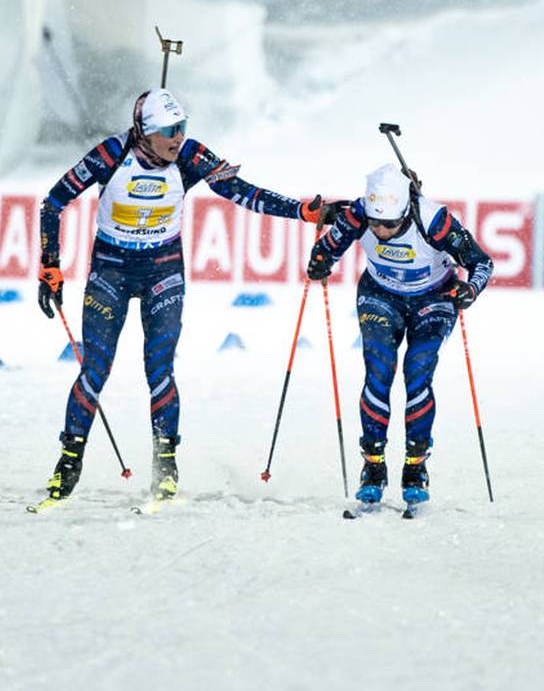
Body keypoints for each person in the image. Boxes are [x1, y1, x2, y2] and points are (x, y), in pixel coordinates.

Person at [33, 88, 325, 510]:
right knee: (95, 369)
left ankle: (166, 465)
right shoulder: (111, 154)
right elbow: (54, 202)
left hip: (163, 270)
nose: (178, 138)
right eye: (169, 131)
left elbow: (242, 192)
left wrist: (302, 211)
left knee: (160, 369)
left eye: (182, 128)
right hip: (110, 271)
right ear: (144, 133)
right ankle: (69, 460)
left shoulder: (189, 155)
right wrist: (50, 266)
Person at [305, 164, 492, 508]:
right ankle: (373, 465)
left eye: (390, 223)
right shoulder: (360, 214)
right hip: (381, 294)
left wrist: (470, 290)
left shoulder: (434, 220)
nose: (381, 230)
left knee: (417, 371)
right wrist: (319, 261)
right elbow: (329, 247)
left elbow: (481, 262)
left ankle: (415, 467)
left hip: (434, 298)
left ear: (406, 210)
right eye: (376, 223)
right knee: (379, 371)